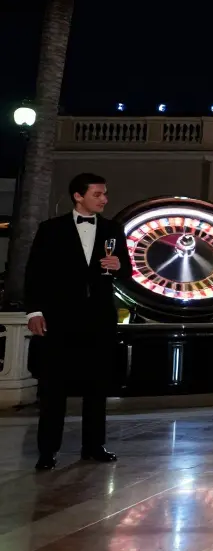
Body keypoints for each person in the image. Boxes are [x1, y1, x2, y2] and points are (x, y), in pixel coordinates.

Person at [24, 173, 126, 471]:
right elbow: (35, 273)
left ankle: (94, 446)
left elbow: (127, 271)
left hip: (99, 320)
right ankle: (47, 451)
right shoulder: (51, 229)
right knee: (53, 387)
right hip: (60, 319)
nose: (104, 199)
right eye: (98, 194)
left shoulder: (112, 229)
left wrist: (119, 266)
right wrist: (34, 312)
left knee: (97, 386)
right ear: (78, 196)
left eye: (105, 194)